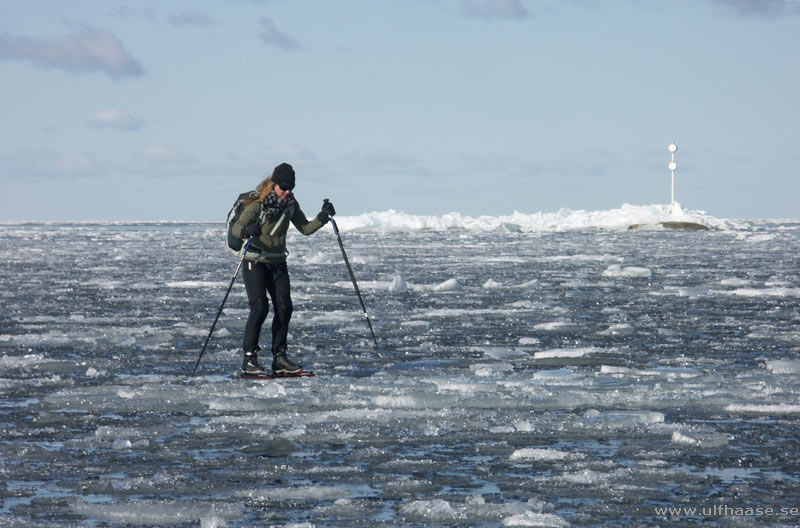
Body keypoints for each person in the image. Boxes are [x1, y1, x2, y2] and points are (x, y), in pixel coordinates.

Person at [232, 162, 335, 376]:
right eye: (283, 187)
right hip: (255, 261)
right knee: (259, 307)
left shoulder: (290, 205)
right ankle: (249, 359)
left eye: (290, 188)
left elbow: (305, 228)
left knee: (285, 308)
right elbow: (237, 228)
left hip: (278, 262)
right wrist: (247, 231)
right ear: (274, 184)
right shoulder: (258, 204)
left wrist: (323, 217)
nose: (287, 191)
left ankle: (279, 357)